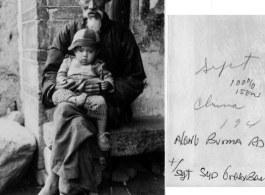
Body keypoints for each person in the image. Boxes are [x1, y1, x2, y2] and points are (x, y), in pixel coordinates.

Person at [40, 0, 146, 194]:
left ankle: (54, 181)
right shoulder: (67, 31)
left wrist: (103, 90)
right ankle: (81, 187)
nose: (91, 6)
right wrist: (61, 86)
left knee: (71, 119)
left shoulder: (122, 34)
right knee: (74, 119)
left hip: (107, 109)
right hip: (74, 103)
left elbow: (136, 79)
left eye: (96, 0)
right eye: (86, 1)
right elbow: (50, 73)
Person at [52, 28, 113, 151]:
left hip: (89, 98)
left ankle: (101, 135)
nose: (85, 55)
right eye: (80, 50)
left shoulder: (97, 65)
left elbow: (108, 76)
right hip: (72, 95)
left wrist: (107, 84)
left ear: (96, 52)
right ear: (74, 50)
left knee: (101, 103)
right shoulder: (68, 61)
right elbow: (61, 74)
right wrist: (63, 81)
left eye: (90, 51)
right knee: (57, 94)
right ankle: (75, 100)